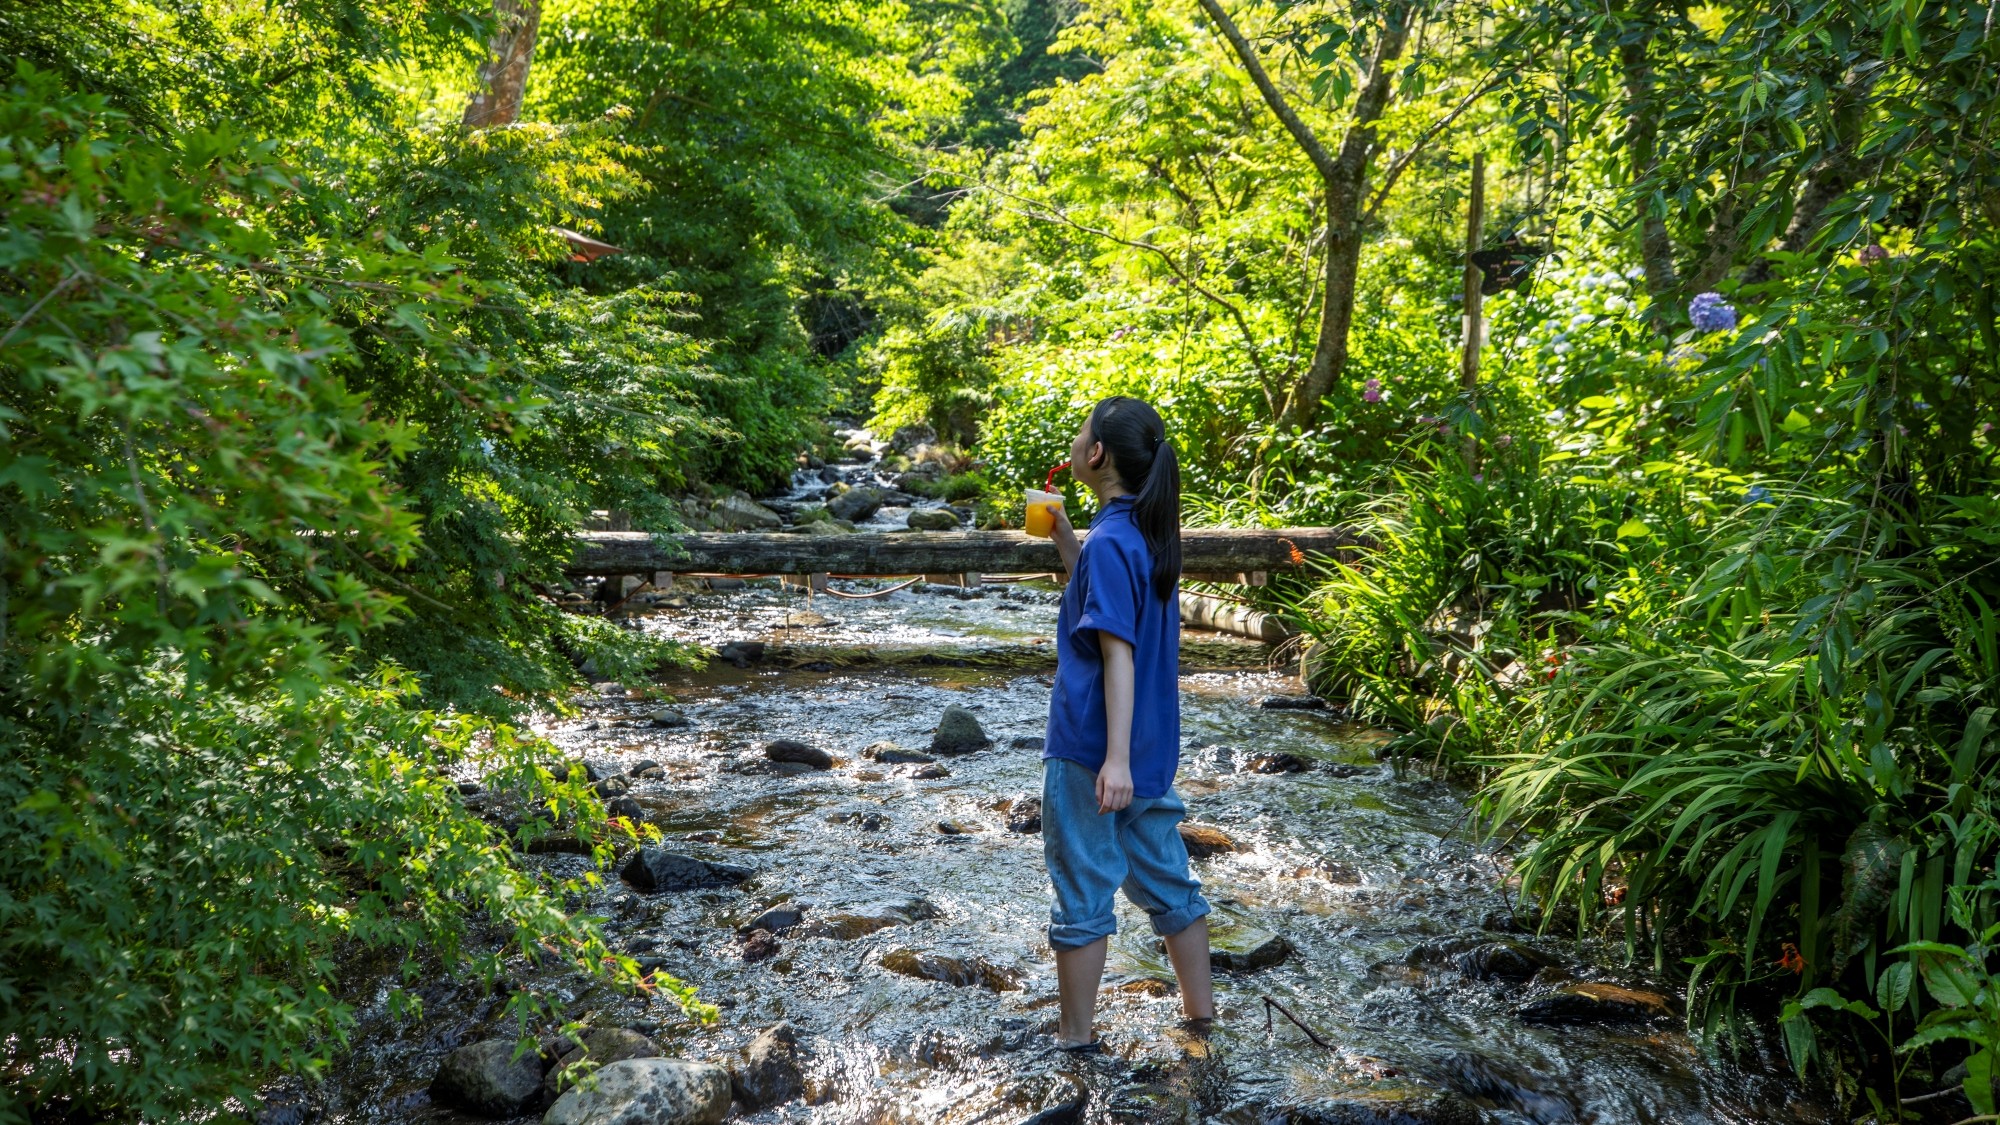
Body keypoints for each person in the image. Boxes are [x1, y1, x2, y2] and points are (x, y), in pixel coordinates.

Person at [1041, 395, 1213, 1052]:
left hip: (1093, 749)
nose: (1076, 437)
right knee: (1169, 880)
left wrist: (1110, 758)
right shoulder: (1140, 534)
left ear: (1098, 455)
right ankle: (1202, 1022)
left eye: (1081, 429)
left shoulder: (1115, 541)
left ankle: (1075, 1042)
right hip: (1147, 751)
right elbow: (1104, 600)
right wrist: (1065, 541)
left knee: (1083, 887)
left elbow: (1117, 650)